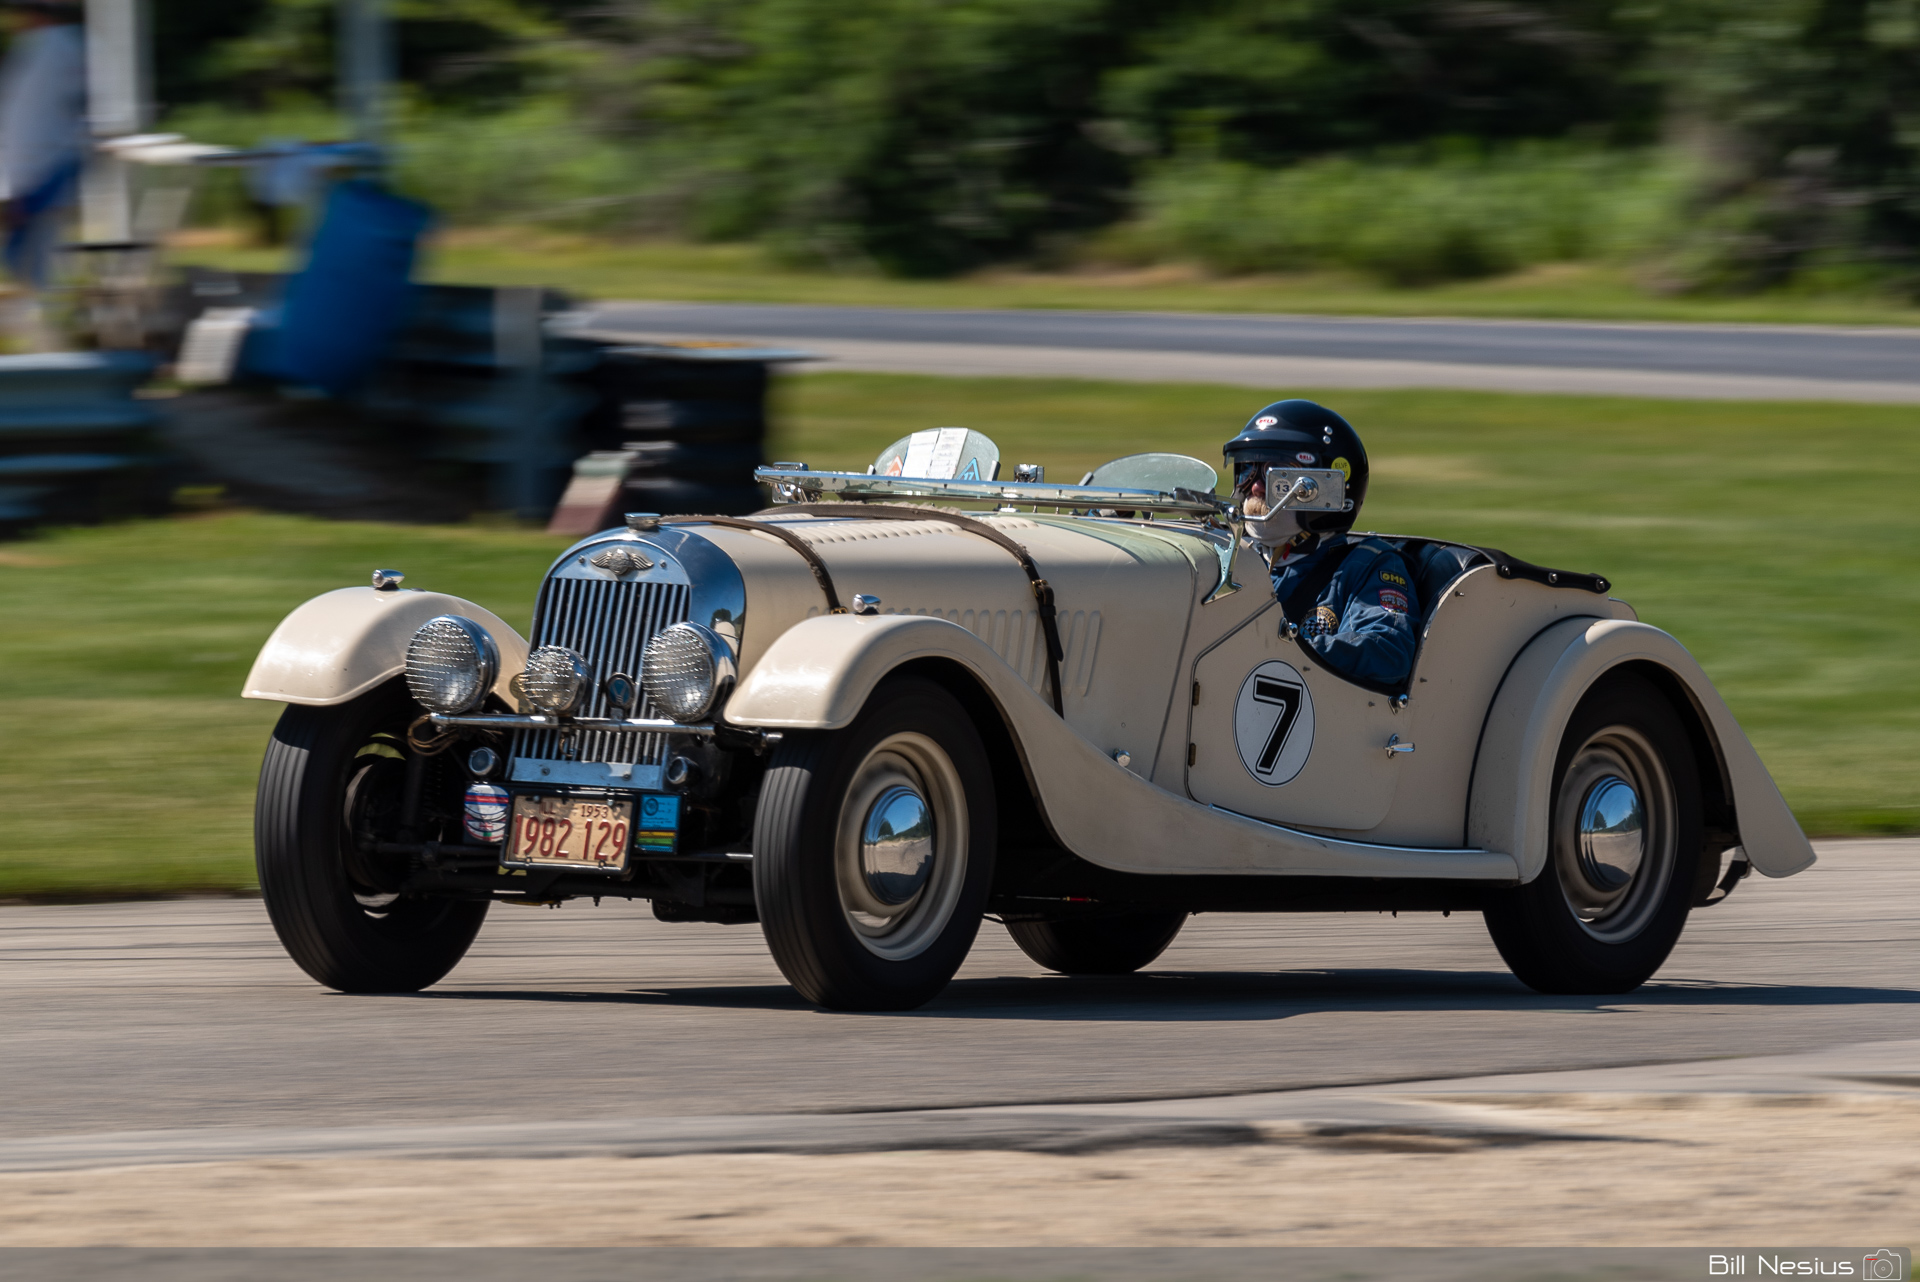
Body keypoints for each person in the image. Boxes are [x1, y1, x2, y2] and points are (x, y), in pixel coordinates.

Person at [1225, 399, 1419, 689]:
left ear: (1324, 489)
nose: (1255, 486)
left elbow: (1388, 652)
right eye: (1248, 469)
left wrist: (1280, 651)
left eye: (1277, 473)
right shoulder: (1235, 558)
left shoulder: (1368, 565)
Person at [0, 0, 86, 346]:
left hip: (37, 172)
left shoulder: (46, 50)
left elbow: (26, 126)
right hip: (44, 168)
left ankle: (43, 335)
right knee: (41, 256)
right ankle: (42, 328)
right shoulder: (65, 47)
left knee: (33, 260)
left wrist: (11, 189)